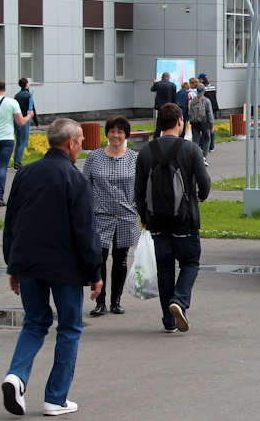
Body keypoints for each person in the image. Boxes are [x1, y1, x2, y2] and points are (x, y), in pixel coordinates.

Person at [0, 118, 103, 417]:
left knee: (35, 322)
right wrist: (95, 273)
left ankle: (16, 376)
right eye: (81, 140)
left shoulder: (26, 174)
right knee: (69, 327)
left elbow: (12, 222)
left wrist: (13, 264)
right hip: (65, 268)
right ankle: (55, 398)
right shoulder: (76, 180)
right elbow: (86, 232)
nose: (83, 144)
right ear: (70, 143)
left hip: (29, 261)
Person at [134, 103, 211, 333]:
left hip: (156, 220)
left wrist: (144, 216)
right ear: (180, 121)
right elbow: (204, 183)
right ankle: (179, 300)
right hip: (185, 219)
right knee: (190, 263)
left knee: (165, 268)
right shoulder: (191, 149)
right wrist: (202, 196)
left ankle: (169, 322)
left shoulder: (146, 151)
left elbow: (138, 190)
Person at [82, 115, 140, 317]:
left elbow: (140, 186)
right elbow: (85, 184)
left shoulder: (134, 158)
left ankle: (116, 300)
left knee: (121, 259)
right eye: (112, 131)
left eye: (120, 132)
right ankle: (100, 302)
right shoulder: (94, 157)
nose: (115, 135)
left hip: (125, 215)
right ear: (107, 133)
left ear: (126, 135)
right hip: (100, 216)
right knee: (99, 258)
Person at [0, 80, 34, 206]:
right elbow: (21, 122)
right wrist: (29, 115)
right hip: (7, 139)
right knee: (2, 167)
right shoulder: (12, 103)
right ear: (5, 89)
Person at [13, 78, 38, 169]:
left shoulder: (17, 95)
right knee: (23, 140)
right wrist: (36, 122)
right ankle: (18, 161)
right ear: (27, 84)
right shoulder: (29, 96)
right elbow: (32, 109)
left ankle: (16, 160)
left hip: (16, 120)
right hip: (25, 120)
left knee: (18, 141)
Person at [189, 83, 214, 166]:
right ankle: (204, 157)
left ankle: (195, 158)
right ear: (204, 90)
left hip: (194, 122)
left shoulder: (193, 100)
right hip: (204, 122)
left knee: (195, 141)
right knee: (207, 139)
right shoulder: (206, 101)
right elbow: (209, 114)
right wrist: (211, 125)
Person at [151, 72, 177, 139]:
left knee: (158, 124)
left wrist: (154, 83)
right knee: (169, 123)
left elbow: (152, 89)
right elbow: (174, 96)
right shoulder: (172, 85)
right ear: (168, 78)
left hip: (159, 106)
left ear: (162, 77)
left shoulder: (158, 84)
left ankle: (156, 138)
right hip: (169, 107)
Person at [198, 74, 220, 152]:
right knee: (211, 127)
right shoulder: (212, 86)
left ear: (201, 79)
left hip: (205, 109)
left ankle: (201, 144)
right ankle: (212, 146)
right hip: (213, 108)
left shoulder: (202, 88)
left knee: (203, 128)